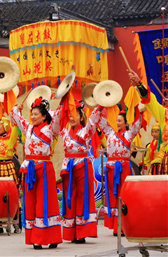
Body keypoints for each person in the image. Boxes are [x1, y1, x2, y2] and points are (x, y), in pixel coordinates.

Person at [11, 96, 63, 249]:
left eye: (36, 114)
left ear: (44, 116)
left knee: (46, 201)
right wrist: (17, 108)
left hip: (44, 168)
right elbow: (15, 116)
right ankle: (35, 236)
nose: (32, 117)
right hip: (29, 168)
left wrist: (64, 98)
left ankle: (51, 236)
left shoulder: (50, 129)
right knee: (31, 202)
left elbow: (59, 116)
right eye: (31, 114)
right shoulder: (28, 128)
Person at [59, 101, 101, 243]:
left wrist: (100, 105)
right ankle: (71, 233)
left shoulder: (86, 131)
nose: (71, 118)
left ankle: (81, 233)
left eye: (74, 115)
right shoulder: (64, 132)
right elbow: (57, 121)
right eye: (69, 115)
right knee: (70, 197)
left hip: (83, 165)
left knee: (82, 198)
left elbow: (94, 120)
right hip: (68, 167)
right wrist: (62, 103)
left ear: (81, 117)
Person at [97, 105, 142, 235]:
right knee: (113, 197)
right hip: (111, 170)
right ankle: (116, 226)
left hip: (123, 169)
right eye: (116, 121)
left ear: (126, 123)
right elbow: (101, 121)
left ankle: (124, 226)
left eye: (120, 121)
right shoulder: (110, 133)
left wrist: (139, 109)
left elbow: (137, 124)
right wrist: (99, 106)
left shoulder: (129, 134)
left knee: (124, 197)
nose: (117, 123)